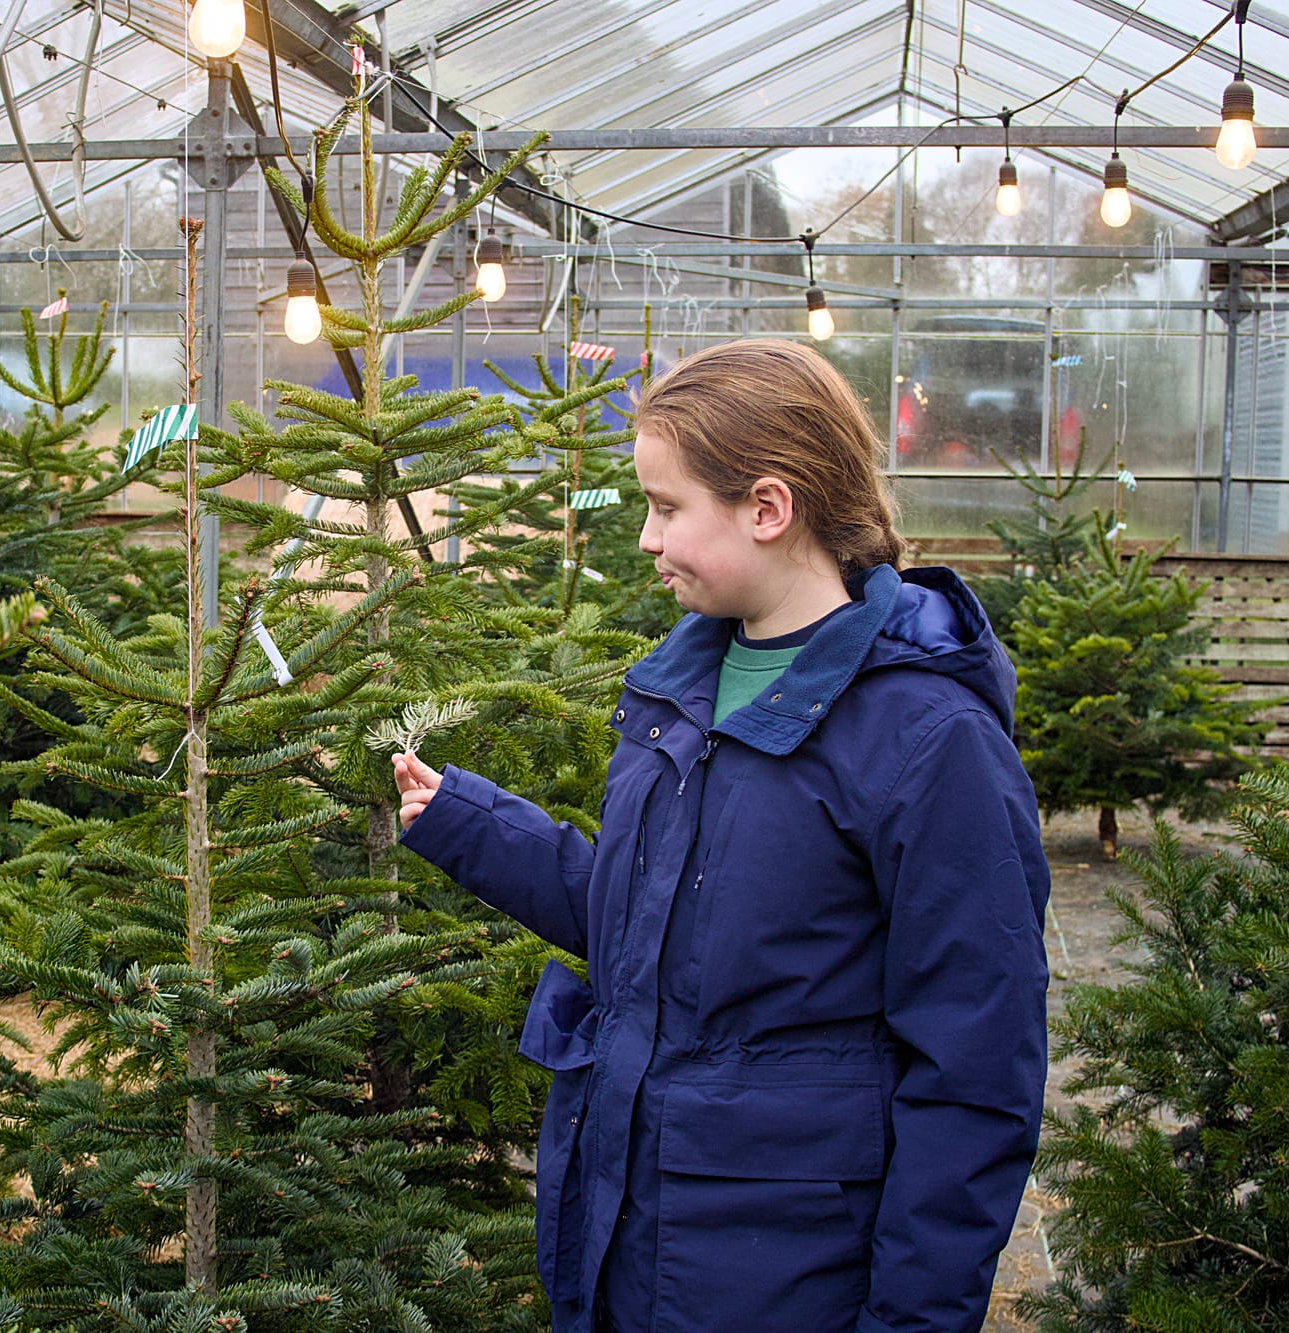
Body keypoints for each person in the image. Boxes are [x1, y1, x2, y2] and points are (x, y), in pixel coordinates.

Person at [394, 339, 1049, 1332]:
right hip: (632, 1224)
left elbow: (975, 1068)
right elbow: (648, 930)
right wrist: (473, 825)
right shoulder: (681, 686)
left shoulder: (925, 740)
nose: (646, 540)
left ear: (767, 507)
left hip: (779, 1266)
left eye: (665, 508)